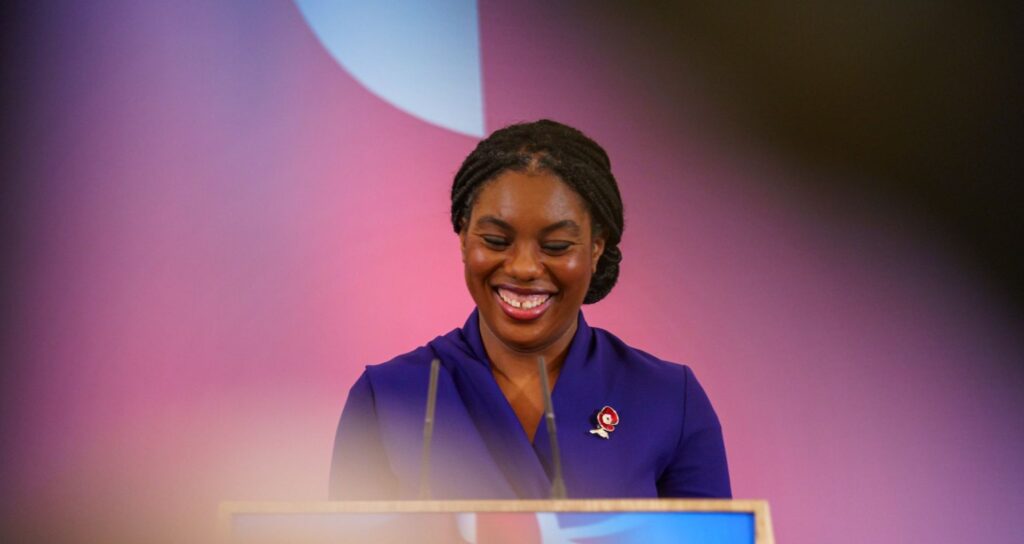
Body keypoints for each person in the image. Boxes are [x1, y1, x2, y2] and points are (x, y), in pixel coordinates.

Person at [329, 120, 731, 500]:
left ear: (596, 247)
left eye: (556, 246)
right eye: (495, 240)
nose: (523, 268)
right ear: (464, 237)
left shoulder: (667, 399)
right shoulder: (387, 396)